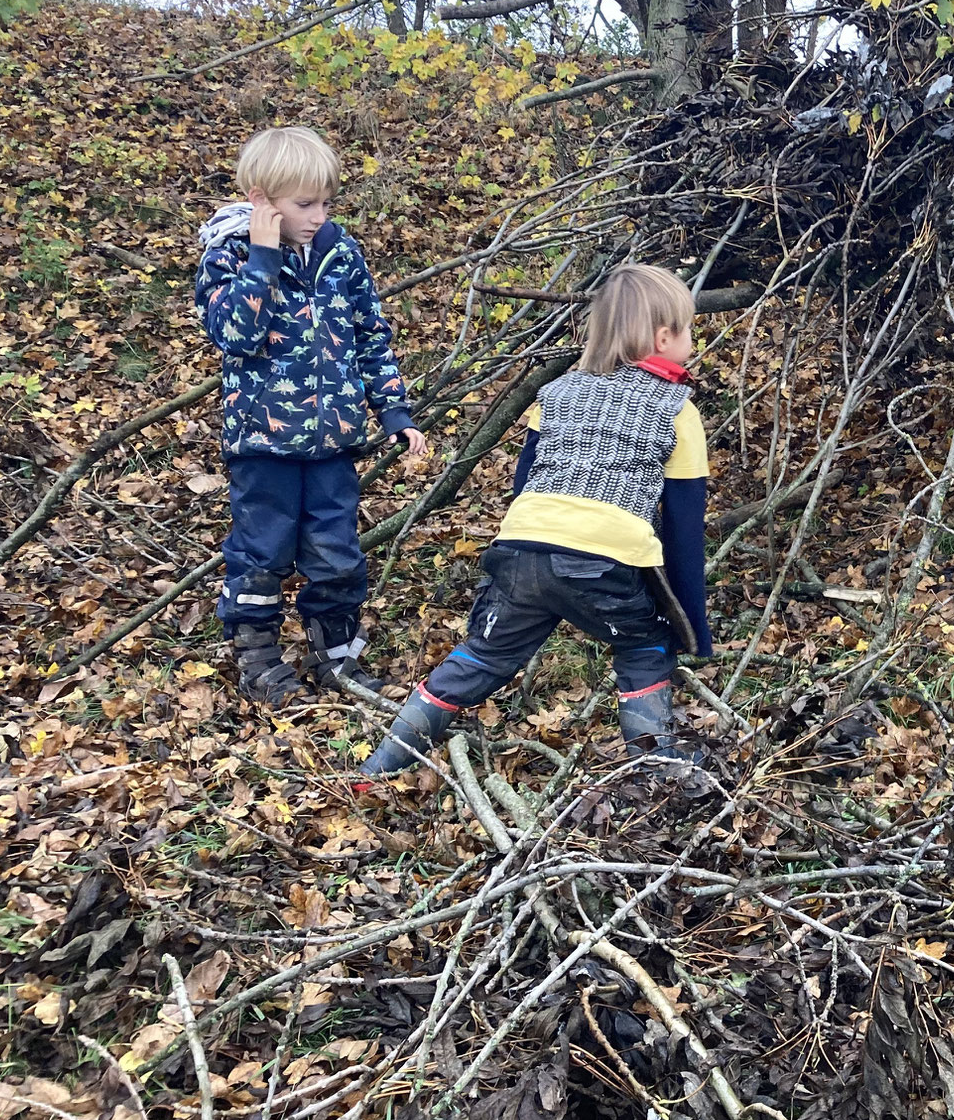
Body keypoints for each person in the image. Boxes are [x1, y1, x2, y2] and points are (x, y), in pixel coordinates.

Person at [360, 262, 713, 779]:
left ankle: (379, 767)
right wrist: (692, 628)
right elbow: (684, 530)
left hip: (521, 545)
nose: (689, 341)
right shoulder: (677, 409)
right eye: (686, 331)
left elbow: (525, 485)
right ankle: (658, 767)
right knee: (644, 644)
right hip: (602, 561)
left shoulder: (556, 394)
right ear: (663, 337)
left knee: (484, 653)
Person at [195, 125, 428, 705]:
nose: (319, 215)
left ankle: (338, 658)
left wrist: (393, 411)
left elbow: (370, 334)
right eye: (304, 204)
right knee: (261, 552)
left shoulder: (340, 254)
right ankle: (258, 659)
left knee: (337, 552)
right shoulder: (229, 255)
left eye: (325, 201)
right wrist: (264, 259)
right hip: (263, 445)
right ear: (260, 200)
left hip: (333, 442)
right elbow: (234, 336)